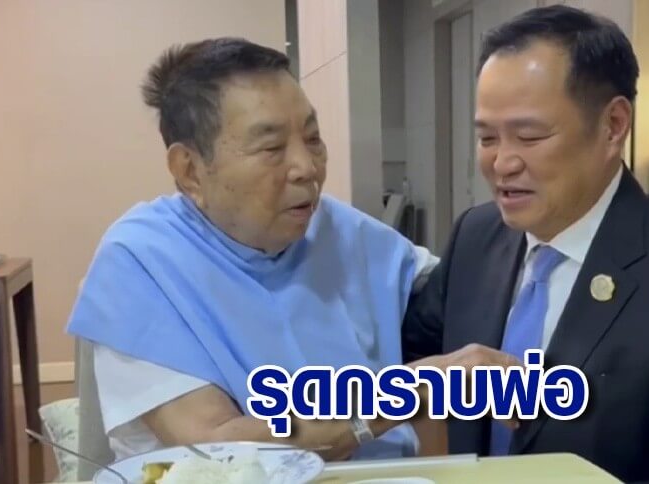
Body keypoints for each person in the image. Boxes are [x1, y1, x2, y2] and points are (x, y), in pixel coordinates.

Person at [65, 38, 508, 464]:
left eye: (313, 139)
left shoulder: (338, 230)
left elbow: (461, 293)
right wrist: (415, 389)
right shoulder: (140, 260)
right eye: (272, 148)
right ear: (191, 171)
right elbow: (217, 447)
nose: (307, 168)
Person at [402, 5, 649, 483]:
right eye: (487, 138)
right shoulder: (476, 237)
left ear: (613, 125)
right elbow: (407, 352)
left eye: (529, 136)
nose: (502, 163)